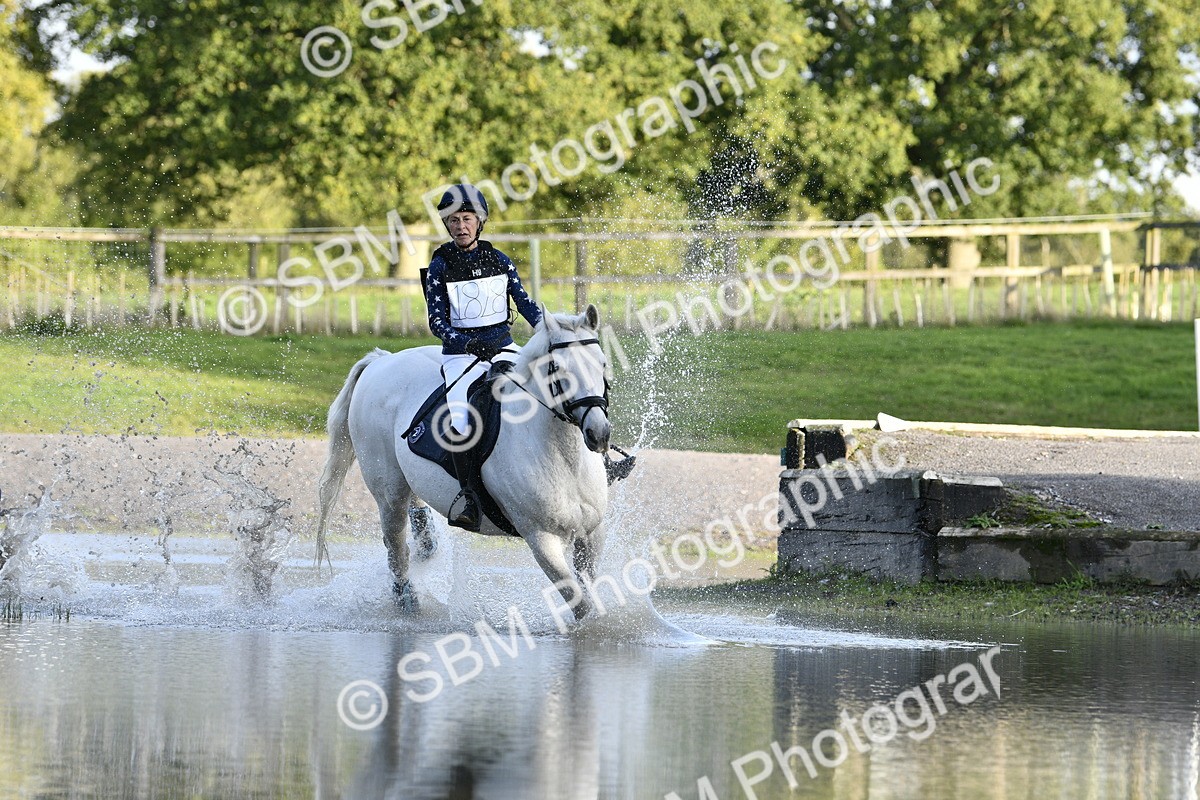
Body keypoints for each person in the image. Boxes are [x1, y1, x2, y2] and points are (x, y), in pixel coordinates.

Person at [425, 183, 543, 531]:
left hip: (504, 348)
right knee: (462, 422)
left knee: (550, 388)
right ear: (447, 225)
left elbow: (525, 305)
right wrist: (467, 344)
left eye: (467, 219)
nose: (460, 226)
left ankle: (596, 459)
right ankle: (469, 497)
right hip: (461, 357)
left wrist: (550, 329)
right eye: (454, 220)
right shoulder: (440, 266)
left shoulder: (500, 261)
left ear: (480, 222)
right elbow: (437, 322)